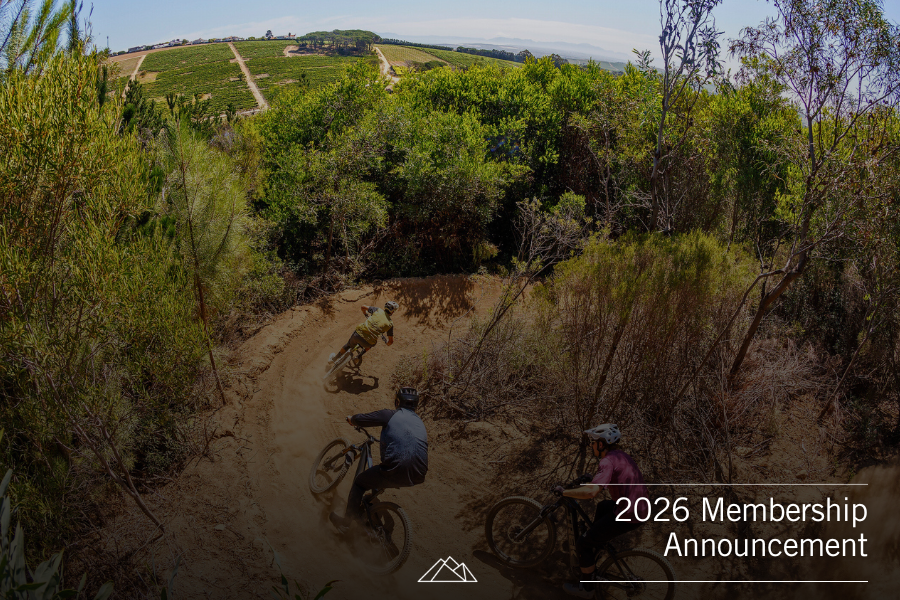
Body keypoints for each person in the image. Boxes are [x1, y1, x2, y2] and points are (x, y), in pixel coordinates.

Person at [559, 424, 650, 599]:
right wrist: (589, 480)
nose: (591, 445)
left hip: (629, 513)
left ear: (601, 444)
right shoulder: (621, 456)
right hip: (641, 507)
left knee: (582, 543)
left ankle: (587, 589)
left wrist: (565, 492)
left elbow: (591, 493)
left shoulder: (606, 461)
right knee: (602, 507)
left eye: (593, 442)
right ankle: (596, 549)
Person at [329, 387, 428, 533]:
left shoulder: (390, 415)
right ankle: (370, 508)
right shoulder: (420, 423)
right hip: (418, 474)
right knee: (379, 480)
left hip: (395, 468)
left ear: (397, 402)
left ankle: (346, 523)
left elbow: (365, 419)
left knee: (359, 483)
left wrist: (352, 419)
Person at [327, 301, 398, 368]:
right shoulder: (390, 324)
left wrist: (365, 313)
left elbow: (363, 307)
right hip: (368, 342)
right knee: (372, 343)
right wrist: (387, 342)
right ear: (393, 312)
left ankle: (333, 359)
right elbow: (390, 342)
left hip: (358, 334)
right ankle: (358, 356)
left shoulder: (377, 310)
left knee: (348, 345)